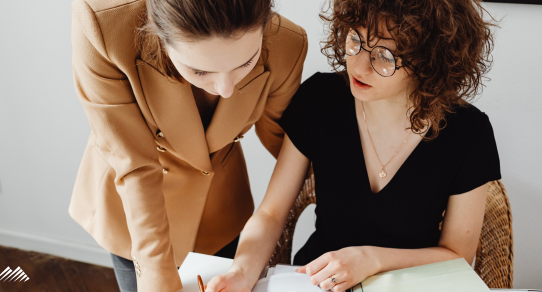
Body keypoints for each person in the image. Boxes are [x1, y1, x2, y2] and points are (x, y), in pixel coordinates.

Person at [206, 0, 500, 291]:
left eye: (384, 56)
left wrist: (371, 259)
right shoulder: (321, 99)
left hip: (410, 284)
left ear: (429, 62)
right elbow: (271, 214)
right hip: (316, 282)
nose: (358, 66)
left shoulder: (468, 132)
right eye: (356, 40)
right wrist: (241, 273)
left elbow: (458, 255)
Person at [68, 0, 308, 290]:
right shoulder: (104, 25)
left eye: (246, 62)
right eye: (200, 72)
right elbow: (132, 161)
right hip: (136, 211)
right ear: (158, 34)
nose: (225, 89)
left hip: (221, 208)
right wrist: (155, 269)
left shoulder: (287, 45)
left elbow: (287, 144)